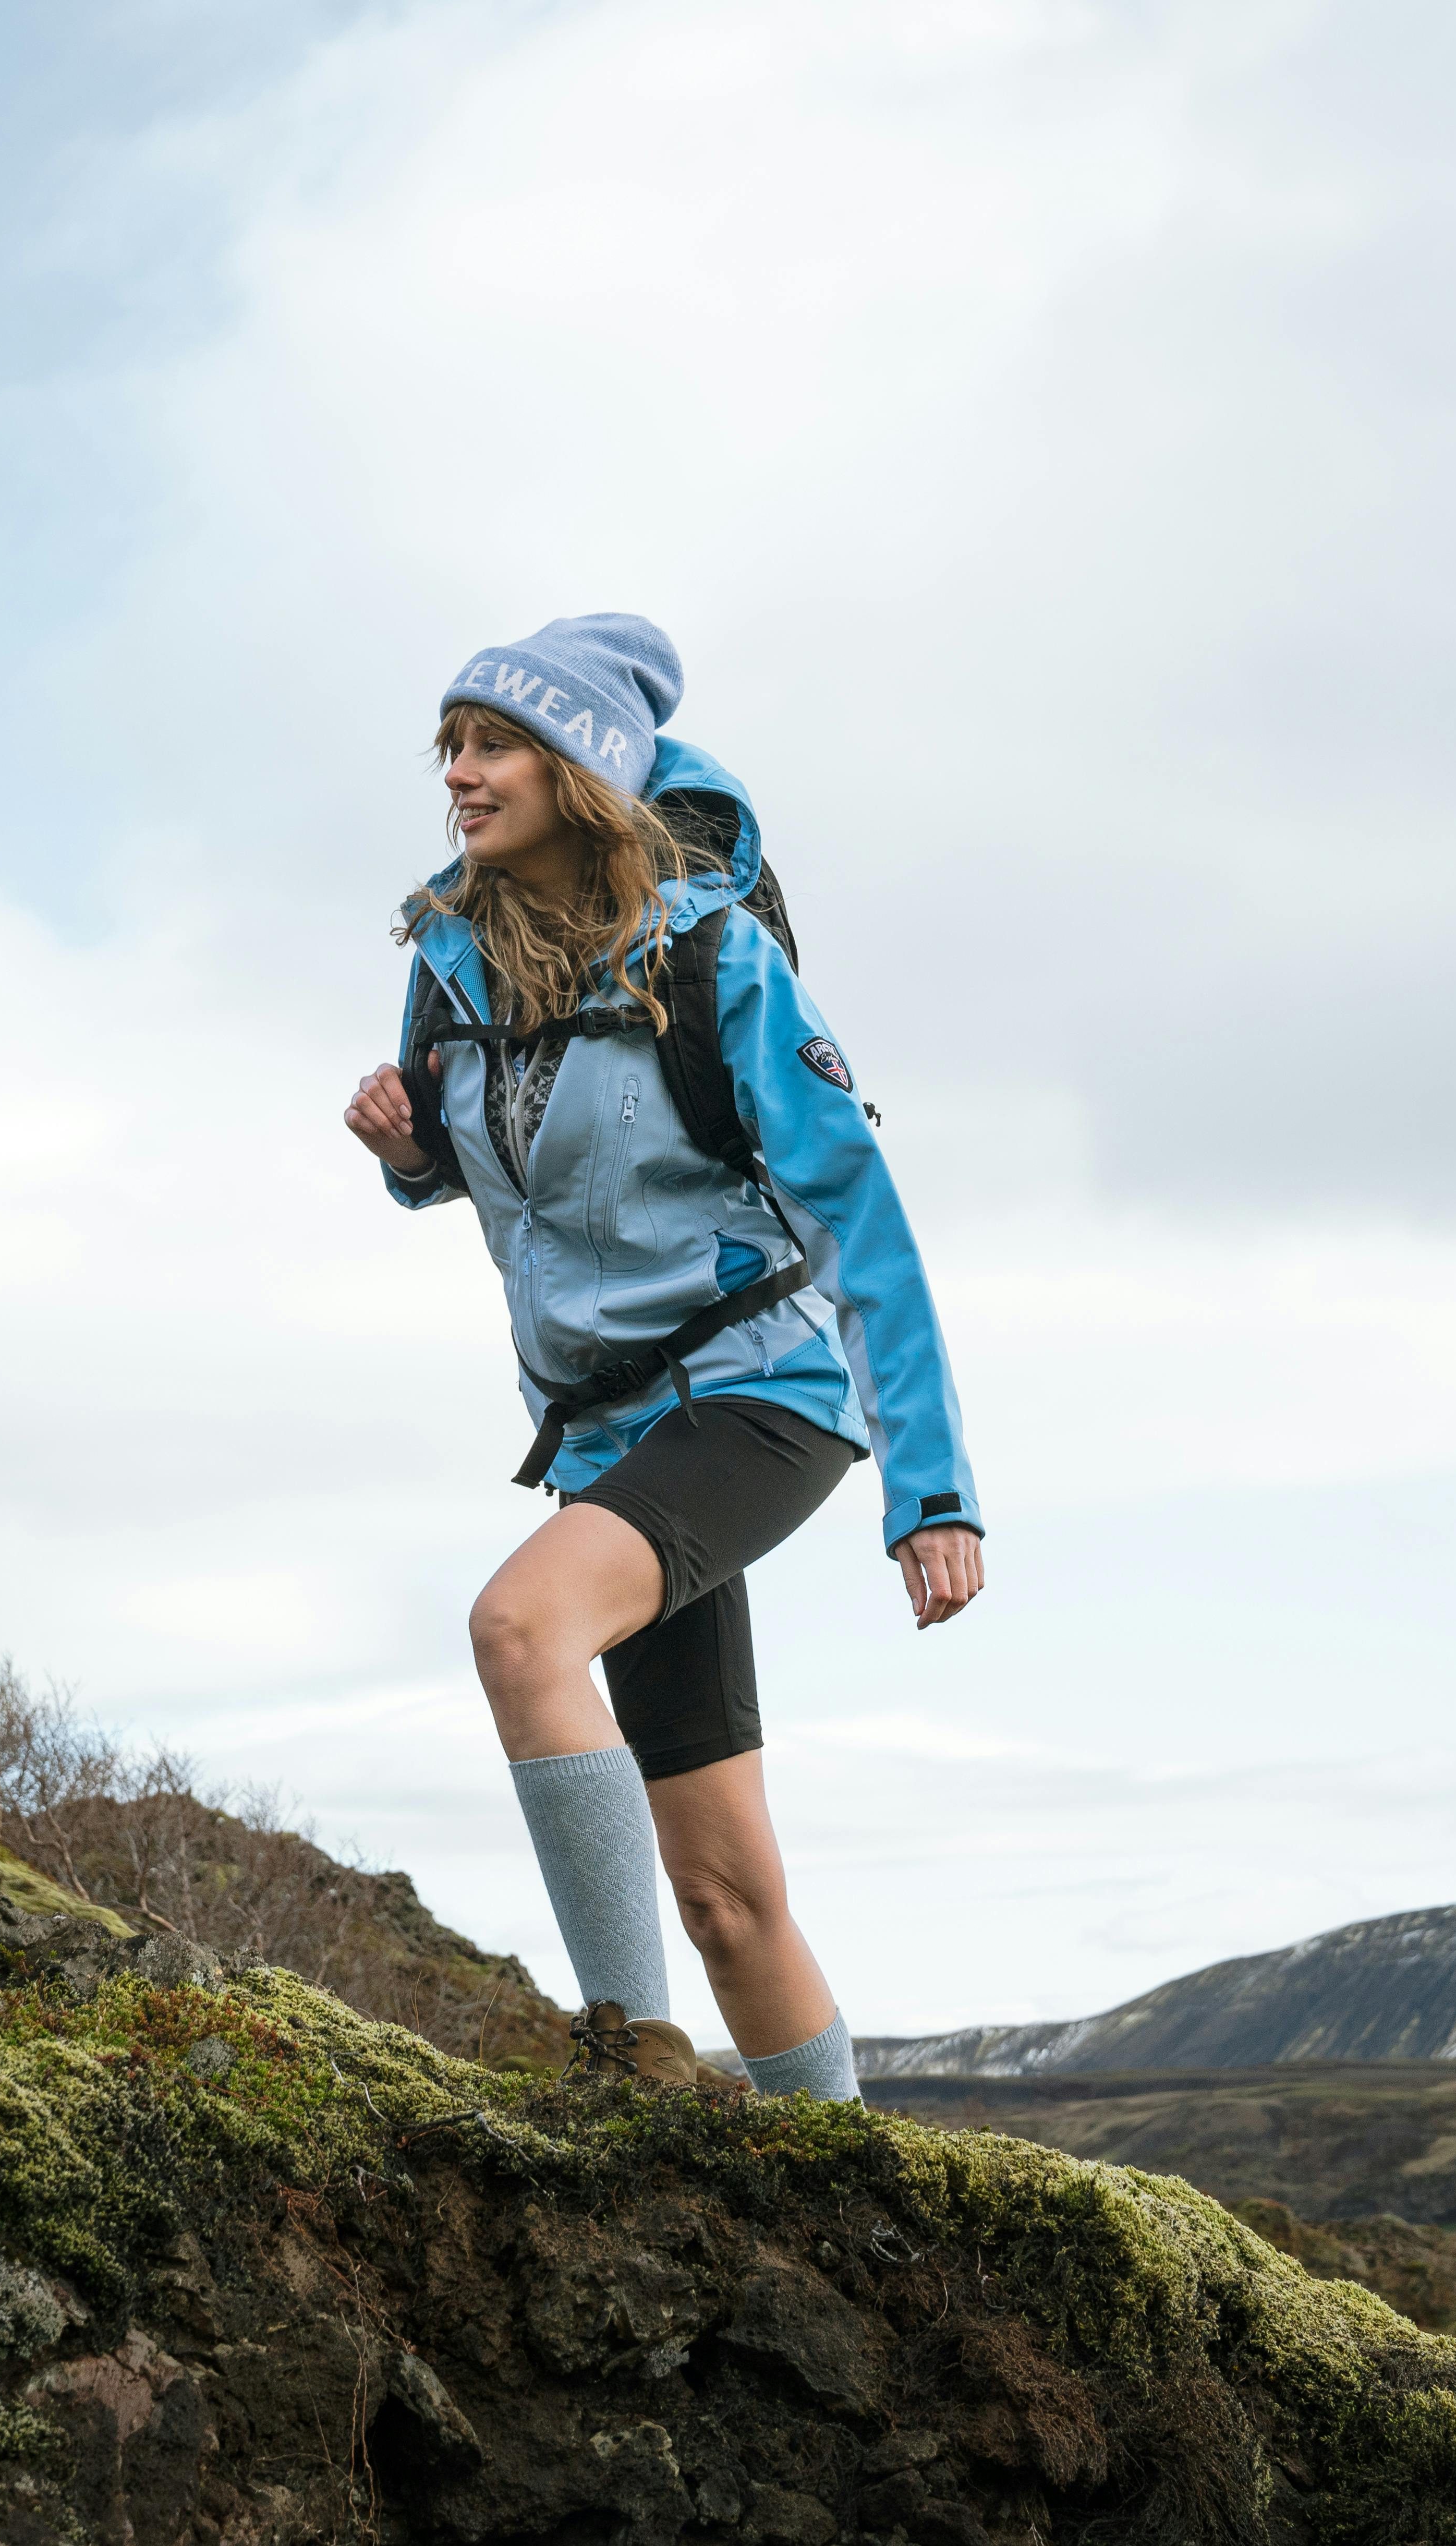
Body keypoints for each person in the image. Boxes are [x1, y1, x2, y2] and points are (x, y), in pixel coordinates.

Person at [342, 613, 985, 2101]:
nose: (459, 773)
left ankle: (625, 2059)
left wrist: (933, 1493)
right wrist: (409, 1152)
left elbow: (860, 1227)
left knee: (520, 1631)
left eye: (492, 742)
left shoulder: (716, 962)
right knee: (726, 1895)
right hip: (603, 1437)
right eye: (448, 744)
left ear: (581, 771)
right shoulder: (450, 965)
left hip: (757, 1395)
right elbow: (492, 1164)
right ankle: (846, 2186)